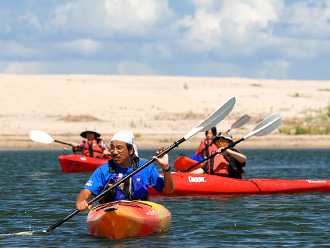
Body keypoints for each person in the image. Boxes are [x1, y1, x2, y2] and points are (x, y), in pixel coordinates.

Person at [76, 131, 174, 212]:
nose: (114, 152)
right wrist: (81, 201)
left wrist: (166, 168)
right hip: (110, 212)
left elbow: (168, 190)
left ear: (131, 150)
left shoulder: (146, 168)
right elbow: (85, 192)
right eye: (112, 148)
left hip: (140, 211)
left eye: (119, 148)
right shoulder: (103, 170)